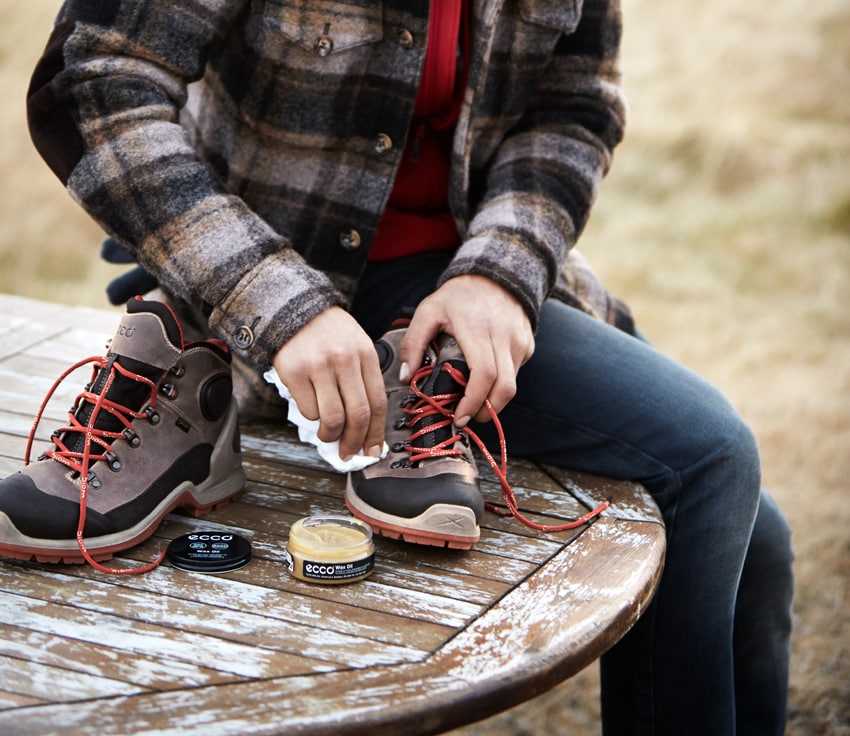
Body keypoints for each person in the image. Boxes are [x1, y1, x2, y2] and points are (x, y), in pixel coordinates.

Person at [13, 0, 793, 732]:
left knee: (757, 542)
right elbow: (92, 76)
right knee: (710, 459)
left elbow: (576, 103)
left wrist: (502, 271)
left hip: (471, 274)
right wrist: (270, 299)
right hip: (270, 268)